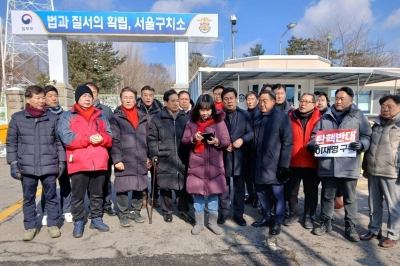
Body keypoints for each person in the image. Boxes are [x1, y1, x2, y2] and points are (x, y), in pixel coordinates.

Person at [308, 87, 372, 242]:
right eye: (336, 98)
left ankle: (351, 227)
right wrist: (312, 145)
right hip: (328, 165)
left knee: (350, 198)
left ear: (351, 100)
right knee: (327, 196)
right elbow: (315, 135)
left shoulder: (358, 116)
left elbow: (367, 135)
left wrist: (362, 144)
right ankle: (325, 222)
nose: (338, 101)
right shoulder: (325, 117)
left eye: (342, 98)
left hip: (348, 165)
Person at [6, 85, 65, 241]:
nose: (41, 101)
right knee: (29, 198)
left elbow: (58, 142)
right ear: (28, 99)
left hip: (49, 164)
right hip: (27, 166)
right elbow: (11, 142)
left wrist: (62, 161)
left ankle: (53, 224)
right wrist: (13, 163)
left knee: (51, 196)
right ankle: (30, 226)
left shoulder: (52, 117)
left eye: (42, 98)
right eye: (37, 98)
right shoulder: (18, 118)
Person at [58, 85, 113, 238]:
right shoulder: (67, 116)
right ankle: (79, 221)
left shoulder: (101, 116)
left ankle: (96, 218)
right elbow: (67, 138)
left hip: (99, 162)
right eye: (84, 96)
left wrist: (103, 138)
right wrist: (87, 139)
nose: (88, 99)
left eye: (90, 96)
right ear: (77, 99)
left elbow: (110, 136)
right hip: (79, 162)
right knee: (78, 195)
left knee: (97, 194)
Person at [182, 94, 230, 235]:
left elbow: (226, 141)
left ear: (212, 109)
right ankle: (199, 223)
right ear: (197, 109)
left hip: (215, 165)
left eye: (208, 110)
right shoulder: (191, 123)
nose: (205, 113)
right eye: (202, 110)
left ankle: (213, 223)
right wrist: (193, 138)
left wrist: (217, 142)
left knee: (214, 195)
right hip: (197, 164)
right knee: (198, 195)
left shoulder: (219, 122)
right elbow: (184, 140)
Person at [147, 89, 194, 224]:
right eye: (172, 101)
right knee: (165, 186)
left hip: (181, 157)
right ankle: (167, 211)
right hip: (164, 157)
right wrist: (154, 154)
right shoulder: (157, 118)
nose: (176, 103)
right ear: (165, 102)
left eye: (177, 101)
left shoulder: (185, 117)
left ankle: (183, 210)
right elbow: (152, 138)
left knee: (182, 185)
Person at [360, 94, 400, 248]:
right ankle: (374, 229)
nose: (385, 109)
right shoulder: (377, 124)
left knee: (393, 206)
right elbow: (370, 147)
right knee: (373, 204)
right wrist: (365, 167)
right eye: (383, 106)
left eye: (389, 106)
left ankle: (393, 235)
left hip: (392, 172)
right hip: (374, 171)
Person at [252, 90, 293, 235]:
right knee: (261, 193)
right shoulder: (257, 117)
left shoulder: (282, 118)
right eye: (260, 101)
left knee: (277, 195)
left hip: (274, 166)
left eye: (265, 101)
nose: (262, 104)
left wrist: (284, 165)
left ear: (273, 101)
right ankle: (266, 216)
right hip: (258, 164)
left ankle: (278, 221)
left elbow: (288, 142)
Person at [110, 87, 151, 227]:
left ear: (135, 99)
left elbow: (148, 139)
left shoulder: (143, 117)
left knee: (139, 185)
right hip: (124, 157)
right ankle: (123, 213)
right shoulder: (116, 117)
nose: (128, 100)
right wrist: (117, 160)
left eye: (131, 97)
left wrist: (149, 157)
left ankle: (135, 211)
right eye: (125, 97)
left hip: (140, 157)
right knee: (123, 186)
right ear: (121, 99)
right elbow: (114, 140)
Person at [284, 93, 321, 229]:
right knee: (291, 192)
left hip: (312, 163)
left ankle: (308, 216)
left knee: (310, 192)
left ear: (314, 104)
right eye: (301, 101)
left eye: (307, 101)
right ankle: (293, 213)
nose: (303, 104)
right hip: (293, 161)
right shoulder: (290, 116)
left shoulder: (320, 118)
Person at [218, 87, 254, 226]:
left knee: (239, 187)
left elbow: (251, 133)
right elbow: (214, 134)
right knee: (224, 187)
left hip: (240, 157)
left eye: (231, 98)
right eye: (226, 98)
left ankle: (238, 214)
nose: (229, 101)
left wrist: (242, 139)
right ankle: (224, 212)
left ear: (236, 98)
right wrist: (222, 144)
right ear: (222, 100)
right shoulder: (219, 115)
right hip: (224, 156)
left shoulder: (244, 115)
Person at [40, 85, 72, 226]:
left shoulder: (64, 114)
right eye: (50, 96)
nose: (53, 98)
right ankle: (47, 212)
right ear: (43, 98)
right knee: (48, 184)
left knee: (65, 183)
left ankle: (67, 210)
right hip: (47, 155)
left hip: (63, 154)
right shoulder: (40, 115)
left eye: (55, 95)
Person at [85, 82, 116, 216]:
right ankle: (94, 207)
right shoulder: (79, 111)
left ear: (97, 94)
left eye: (94, 92)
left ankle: (107, 204)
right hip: (86, 153)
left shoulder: (106, 110)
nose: (91, 96)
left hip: (104, 152)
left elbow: (111, 131)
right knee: (90, 181)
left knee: (105, 179)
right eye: (88, 92)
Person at [136, 85, 163, 208]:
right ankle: (143, 196)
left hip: (155, 144)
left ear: (154, 96)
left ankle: (154, 196)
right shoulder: (135, 109)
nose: (148, 98)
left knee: (155, 173)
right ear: (141, 96)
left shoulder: (160, 109)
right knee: (141, 173)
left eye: (150, 95)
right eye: (145, 95)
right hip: (139, 144)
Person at [244, 91, 260, 208]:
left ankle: (257, 197)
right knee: (247, 175)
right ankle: (250, 194)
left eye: (252, 99)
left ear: (257, 100)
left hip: (255, 149)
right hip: (245, 149)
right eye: (248, 99)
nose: (250, 101)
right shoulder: (244, 113)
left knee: (255, 175)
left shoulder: (259, 113)